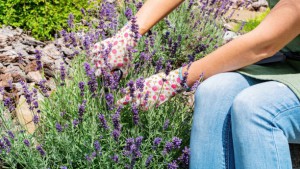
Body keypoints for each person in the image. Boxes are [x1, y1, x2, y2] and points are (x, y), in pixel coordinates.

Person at [92, 0, 300, 168]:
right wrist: (129, 33)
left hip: (282, 54)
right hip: (290, 62)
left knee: (257, 109)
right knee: (214, 91)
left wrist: (173, 80)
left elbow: (266, 42)